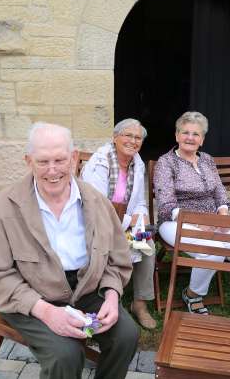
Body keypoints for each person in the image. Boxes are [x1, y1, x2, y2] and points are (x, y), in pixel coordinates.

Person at [0, 122, 139, 379]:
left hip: (87, 290)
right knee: (65, 355)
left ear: (74, 158)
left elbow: (117, 259)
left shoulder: (97, 201)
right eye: (43, 162)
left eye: (60, 160)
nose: (52, 171)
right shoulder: (4, 207)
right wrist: (46, 311)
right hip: (32, 297)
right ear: (28, 161)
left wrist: (111, 295)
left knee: (126, 335)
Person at [153, 111, 230, 317]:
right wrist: (198, 223)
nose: (190, 138)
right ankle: (192, 294)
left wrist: (222, 212)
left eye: (196, 134)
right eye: (185, 132)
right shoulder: (166, 162)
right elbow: (166, 202)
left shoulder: (207, 160)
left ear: (202, 139)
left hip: (212, 217)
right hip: (175, 220)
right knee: (213, 250)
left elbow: (219, 190)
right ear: (176, 136)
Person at [80, 118, 156, 330]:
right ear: (115, 138)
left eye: (138, 137)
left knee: (147, 246)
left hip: (125, 223)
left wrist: (141, 218)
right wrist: (128, 221)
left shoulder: (137, 163)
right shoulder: (100, 162)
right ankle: (111, 301)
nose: (133, 141)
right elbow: (96, 207)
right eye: (128, 135)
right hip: (98, 225)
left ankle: (139, 304)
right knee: (114, 248)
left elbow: (140, 200)